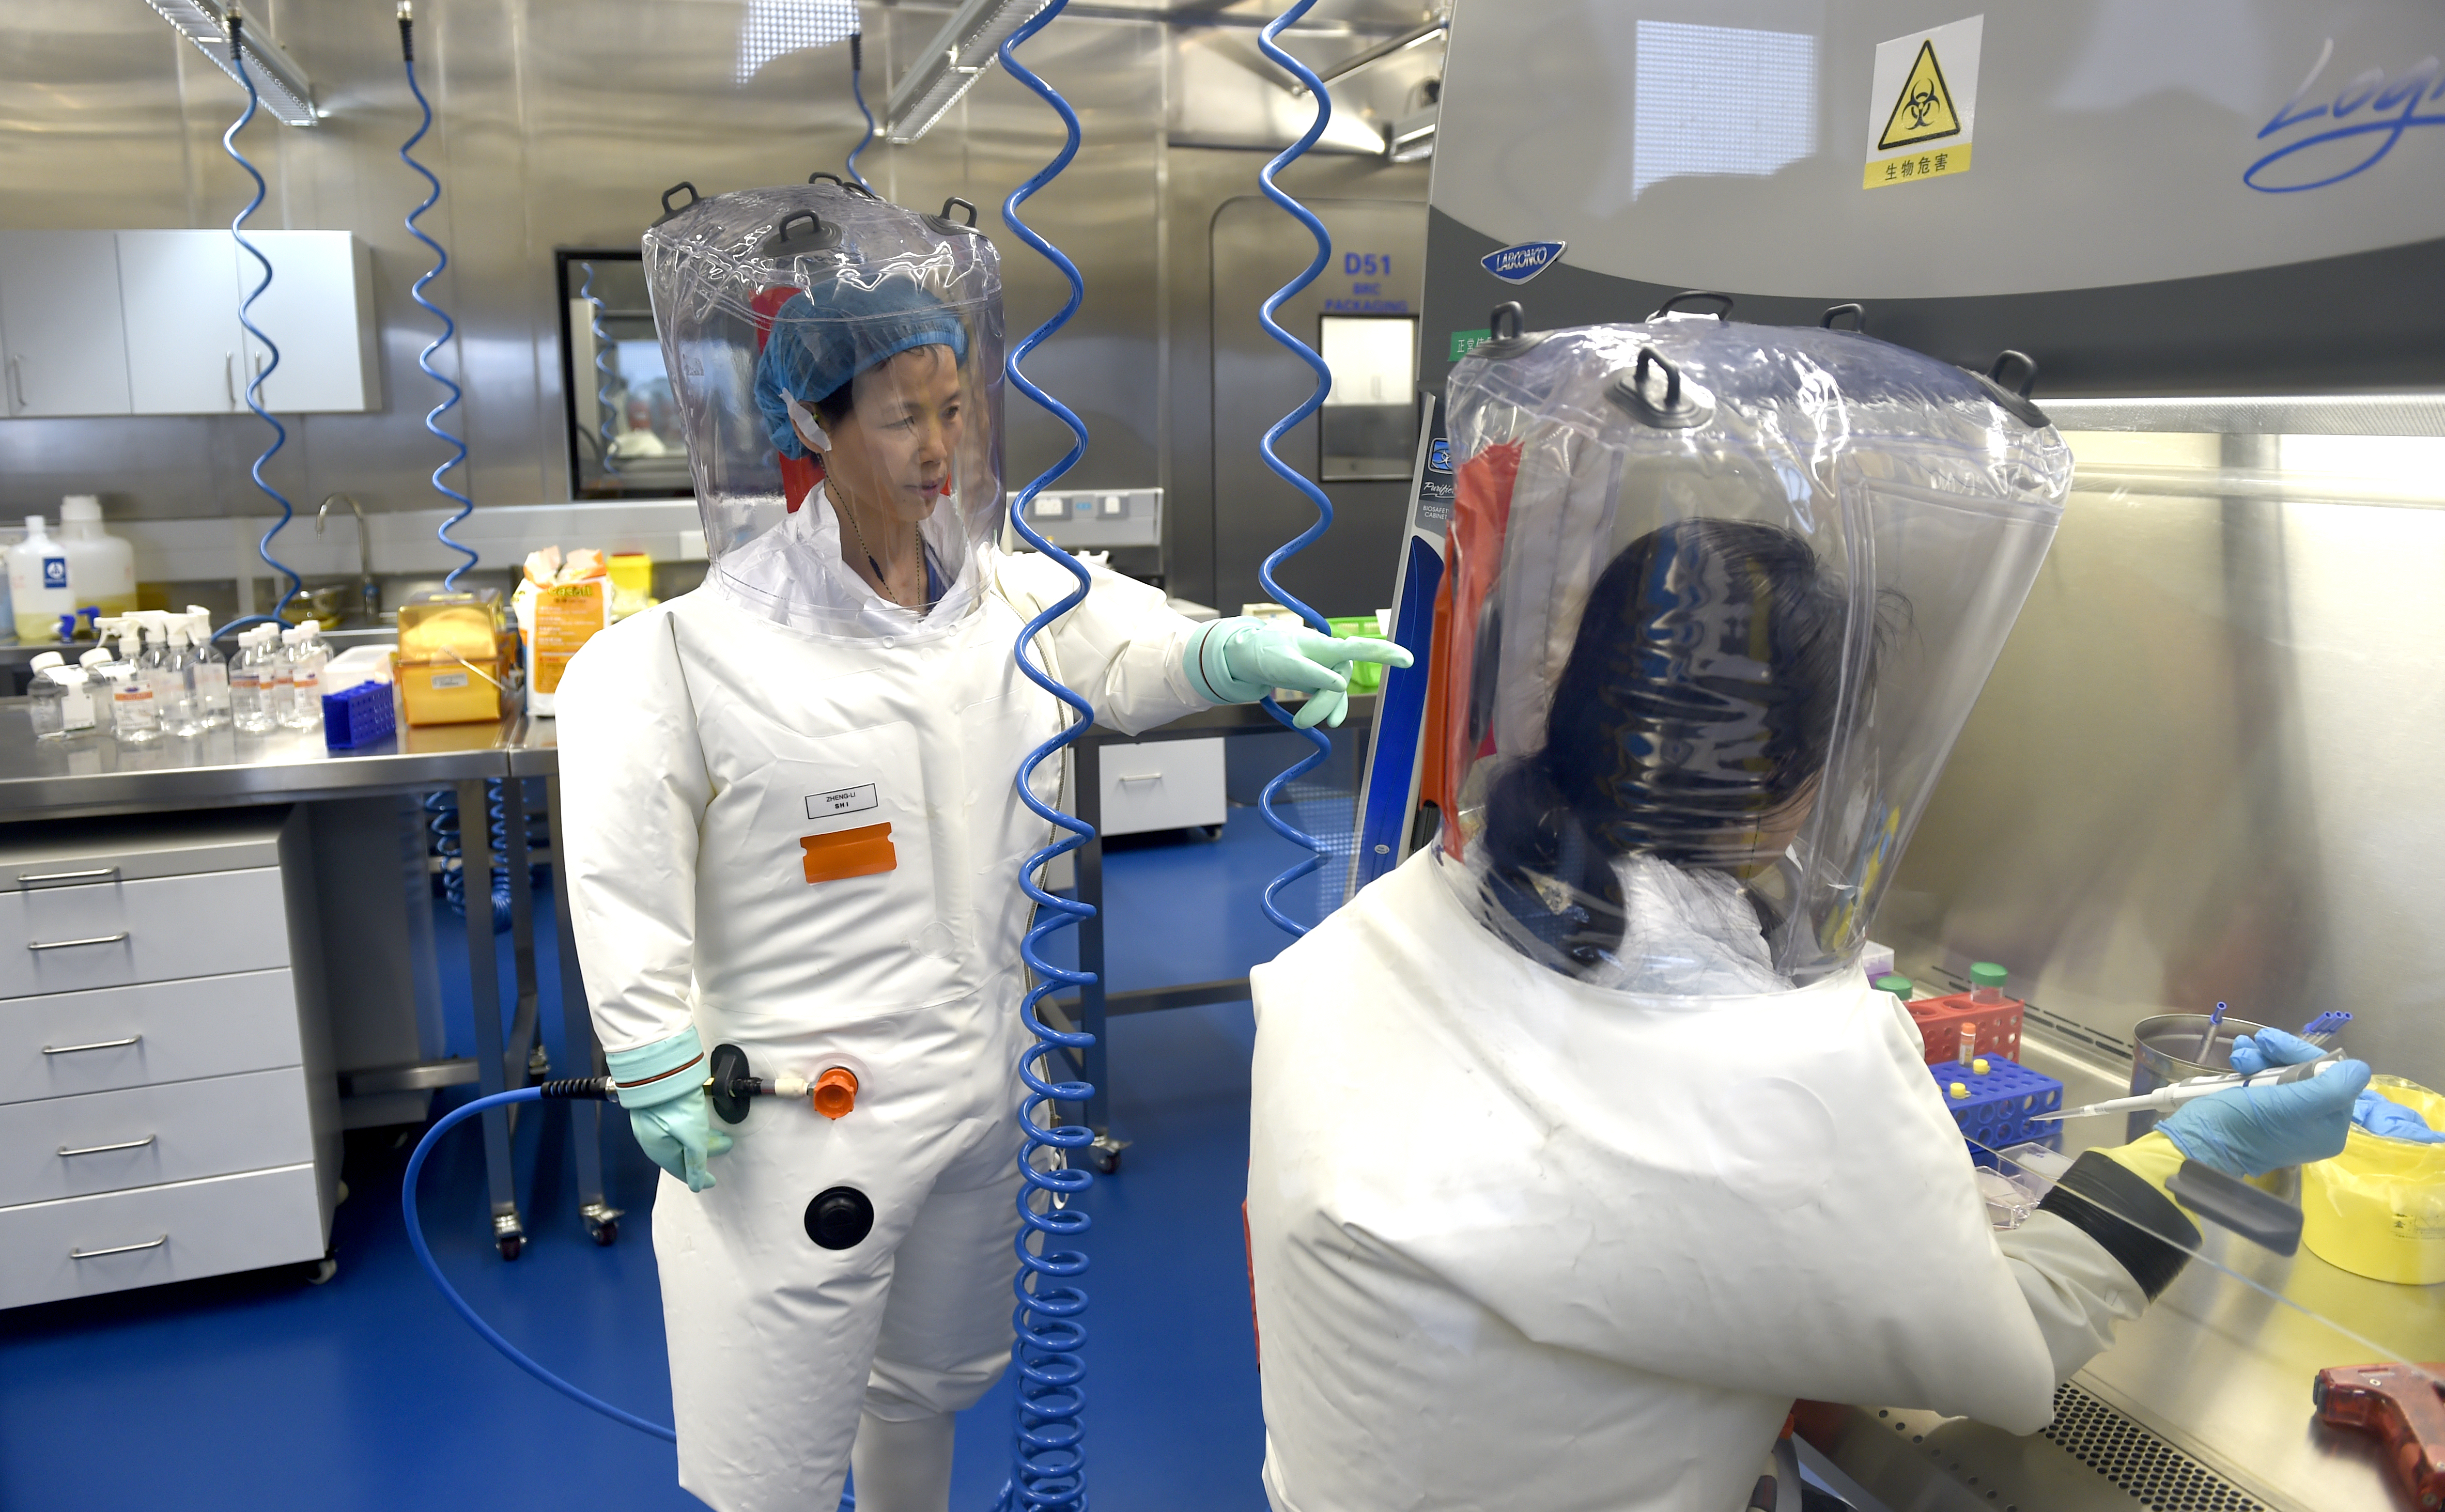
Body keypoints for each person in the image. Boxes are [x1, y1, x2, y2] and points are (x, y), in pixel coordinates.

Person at [1242, 319, 2369, 1512]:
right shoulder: (1780, 1070)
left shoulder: (1393, 922)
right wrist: (2194, 1153)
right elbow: (2006, 1355)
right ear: (1795, 785)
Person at [553, 181, 1405, 1512]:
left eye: (953, 409)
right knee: (771, 1451)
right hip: (797, 1118)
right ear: (809, 423)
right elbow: (622, 870)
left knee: (928, 1387)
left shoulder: (1009, 596)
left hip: (986, 1086)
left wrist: (1230, 651)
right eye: (901, 416)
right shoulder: (682, 655)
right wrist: (652, 1051)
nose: (938, 447)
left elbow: (1131, 648)